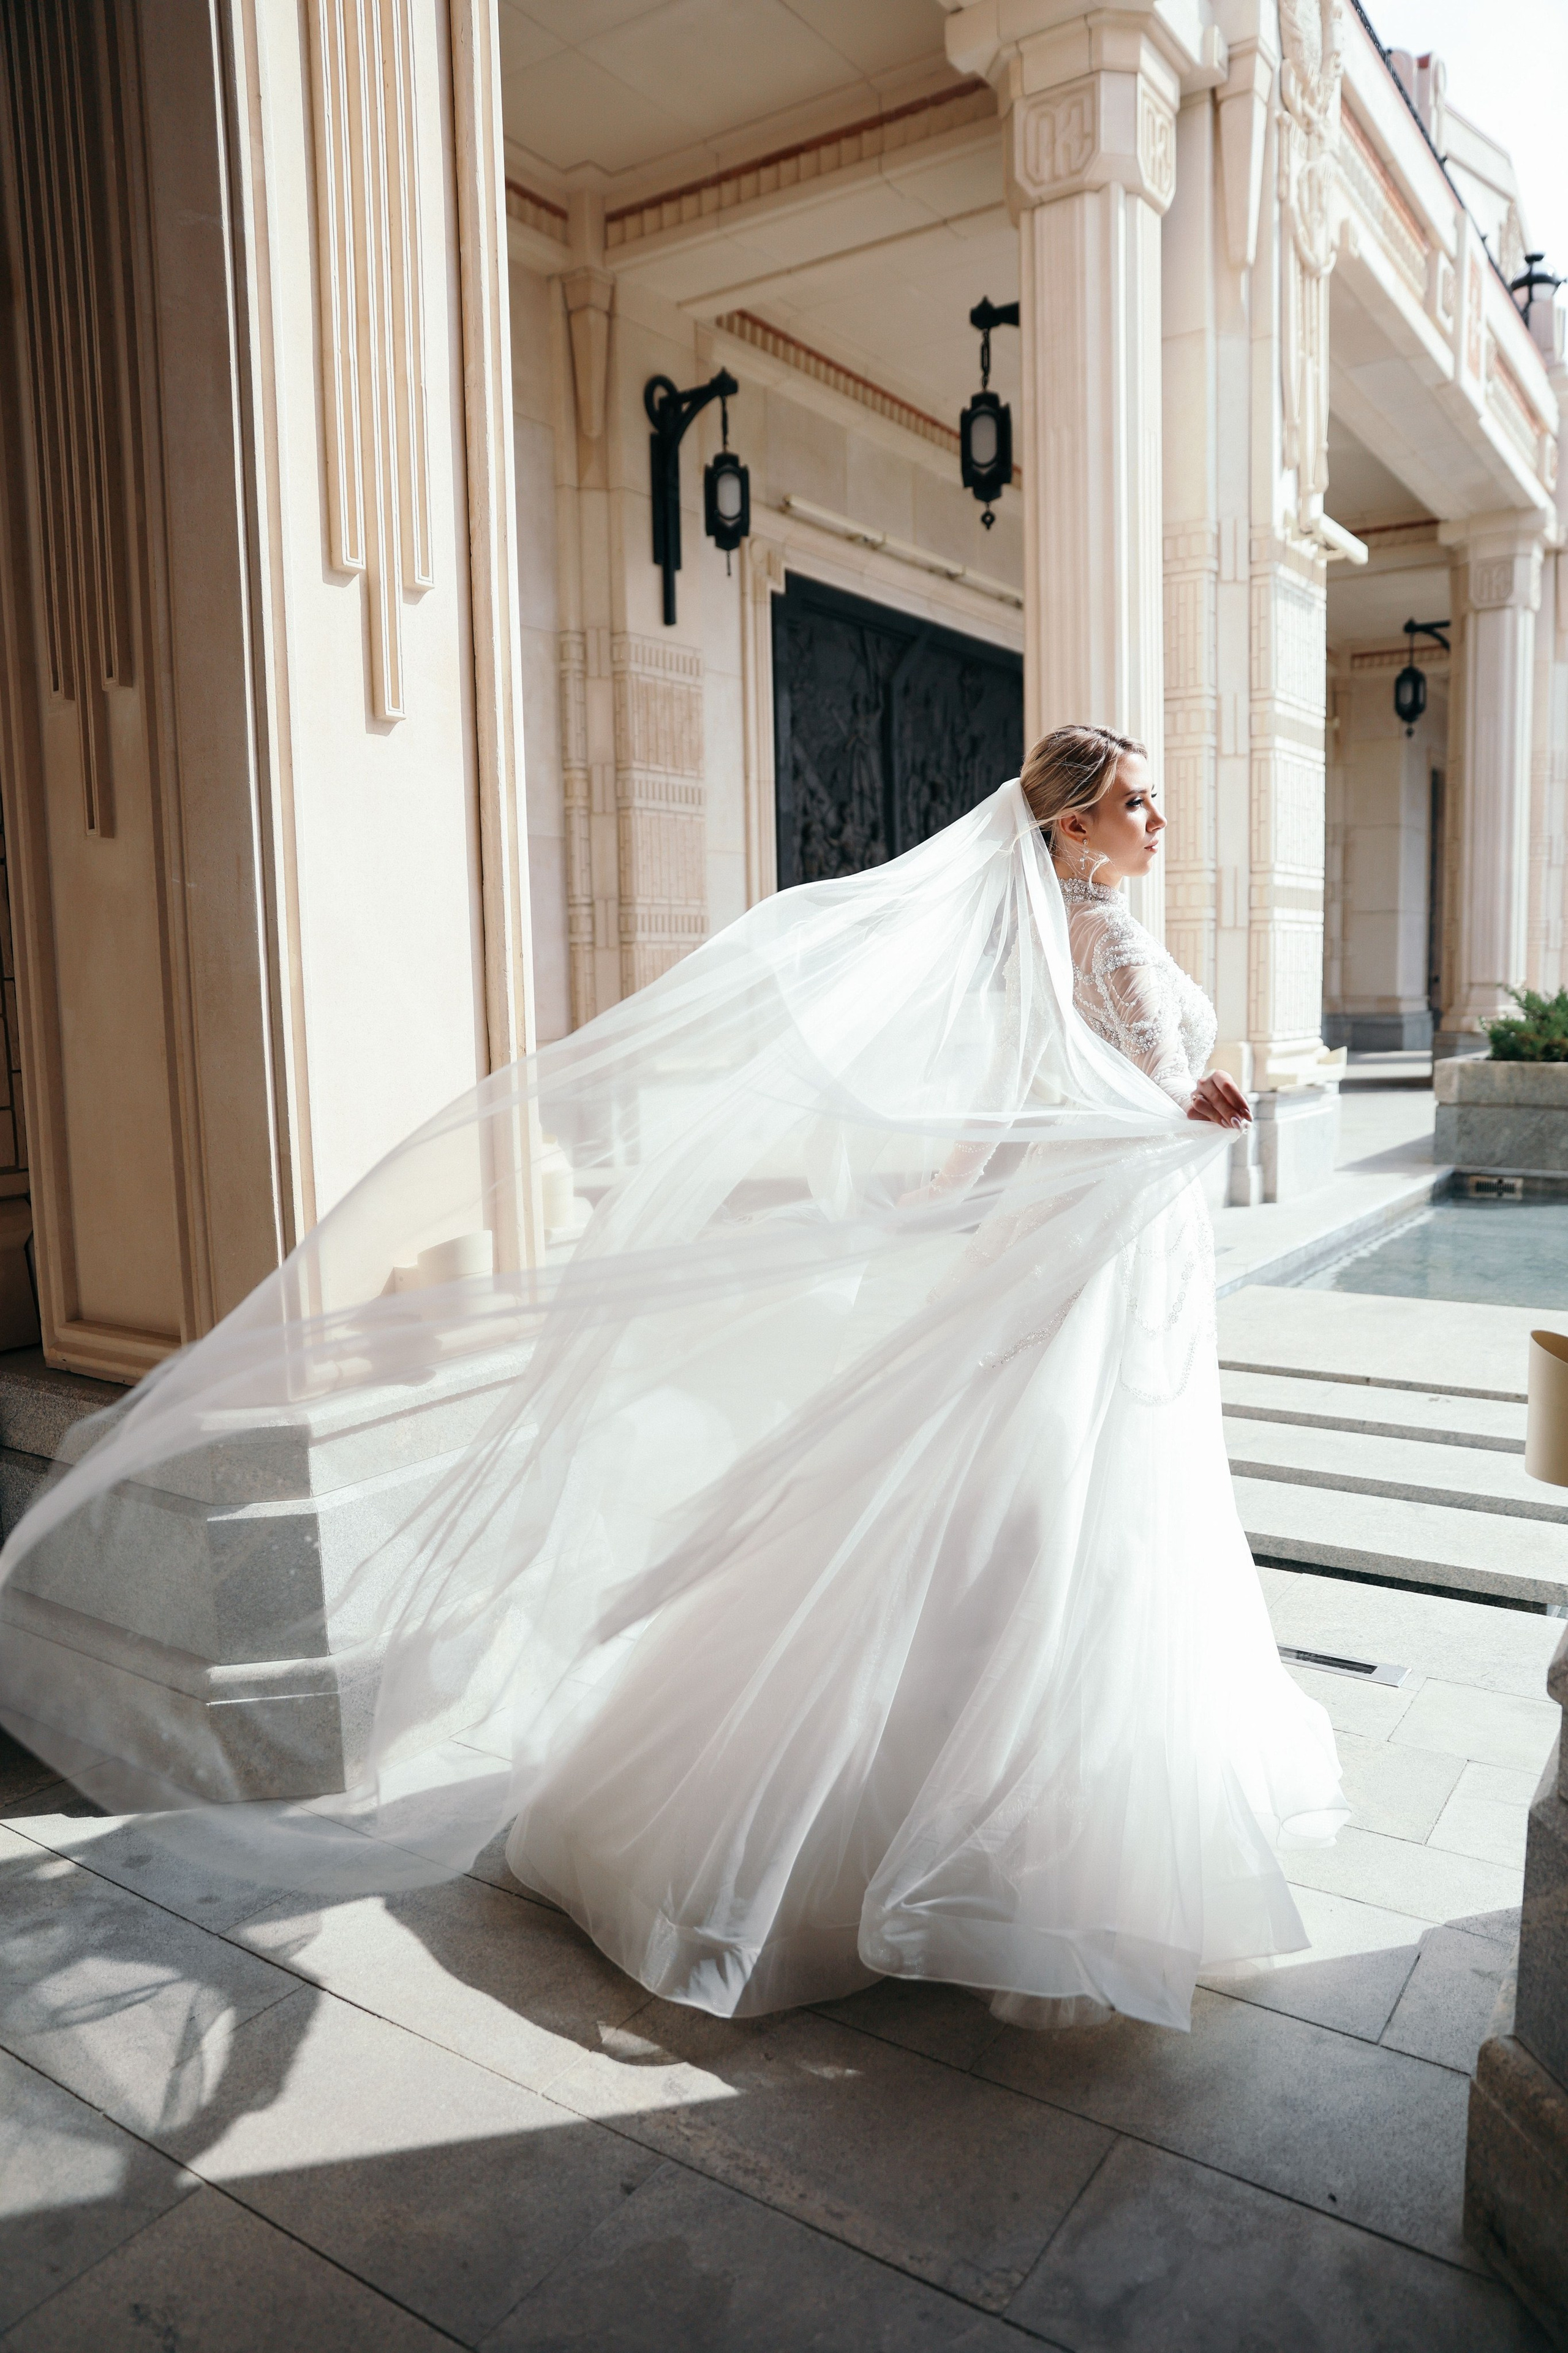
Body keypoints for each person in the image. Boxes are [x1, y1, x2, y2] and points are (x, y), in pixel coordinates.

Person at [0, 725, 1344, 2034]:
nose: (1156, 821)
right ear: (1071, 822)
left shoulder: (1040, 942)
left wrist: (978, 1191)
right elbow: (1128, 1106)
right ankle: (1004, 1846)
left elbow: (1027, 1114)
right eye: (1135, 803)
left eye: (1151, 802)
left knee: (1003, 1519)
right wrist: (1188, 1108)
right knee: (1069, 1529)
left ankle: (914, 1807)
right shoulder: (1102, 940)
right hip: (1094, 1273)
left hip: (1075, 1261)